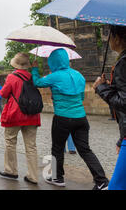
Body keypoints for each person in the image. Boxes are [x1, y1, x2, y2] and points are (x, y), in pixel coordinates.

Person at [32, 48, 109, 190]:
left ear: (53, 61)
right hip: (81, 118)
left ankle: (57, 177)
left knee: (57, 148)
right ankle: (102, 181)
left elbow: (37, 82)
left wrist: (35, 68)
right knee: (85, 150)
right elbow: (80, 97)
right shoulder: (79, 75)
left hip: (62, 118)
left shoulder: (54, 76)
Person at [0, 53, 41, 184]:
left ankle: (11, 171)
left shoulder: (12, 77)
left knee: (10, 142)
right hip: (31, 115)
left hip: (15, 114)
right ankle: (33, 176)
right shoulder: (33, 77)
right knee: (31, 146)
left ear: (15, 64)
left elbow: (3, 94)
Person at [93, 24, 126, 190]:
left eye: (110, 36)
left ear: (118, 38)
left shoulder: (123, 63)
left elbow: (124, 103)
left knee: (117, 186)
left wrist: (101, 88)